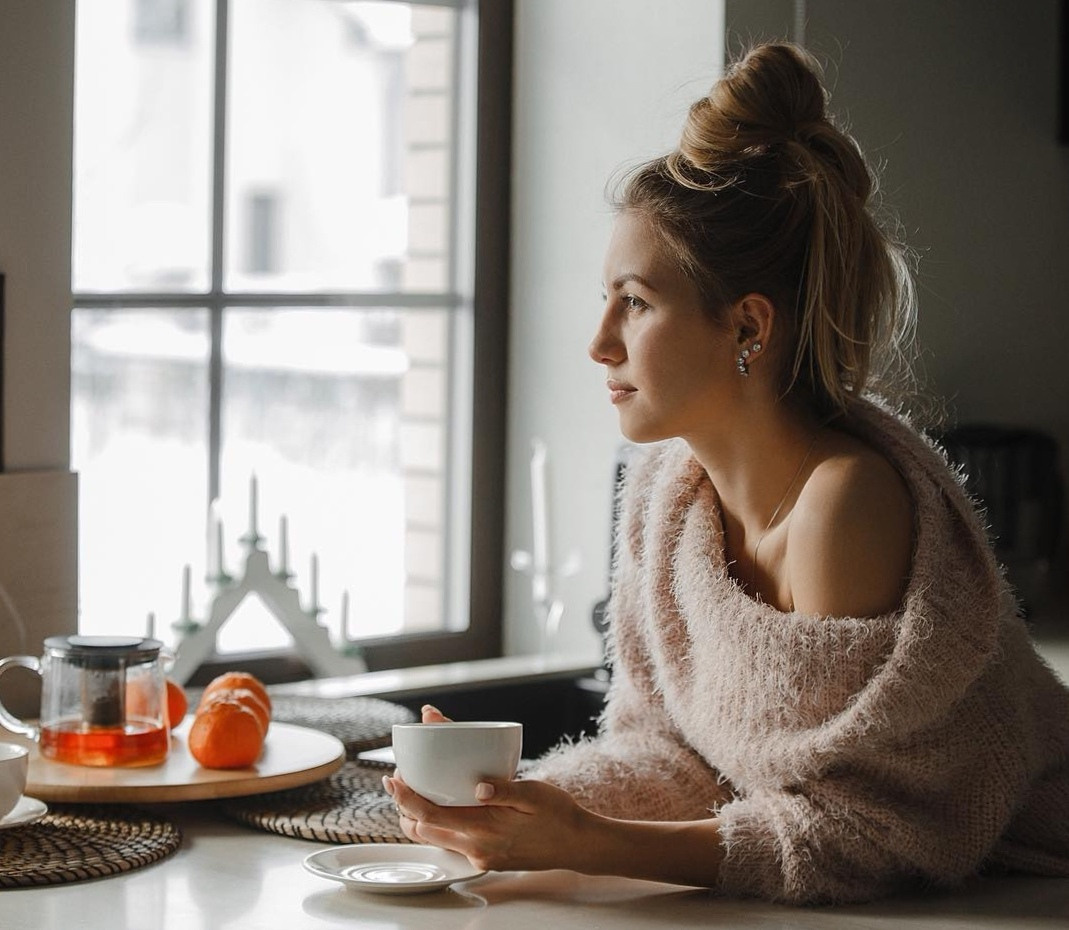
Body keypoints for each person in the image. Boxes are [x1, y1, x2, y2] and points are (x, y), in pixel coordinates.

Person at [382, 42, 1069, 904]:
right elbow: (671, 755)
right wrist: (510, 809)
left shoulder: (842, 507)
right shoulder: (665, 496)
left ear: (746, 326)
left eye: (634, 301)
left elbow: (866, 835)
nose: (599, 342)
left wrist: (591, 844)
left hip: (1025, 893)